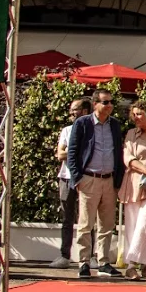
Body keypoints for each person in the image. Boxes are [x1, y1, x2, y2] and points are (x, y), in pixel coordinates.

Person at [66, 91, 124, 277]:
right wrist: (78, 179)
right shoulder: (83, 123)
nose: (110, 106)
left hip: (109, 179)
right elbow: (72, 152)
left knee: (106, 224)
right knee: (86, 224)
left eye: (111, 102)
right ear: (95, 104)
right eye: (105, 102)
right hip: (89, 178)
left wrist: (118, 180)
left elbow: (119, 152)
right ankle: (83, 262)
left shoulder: (115, 125)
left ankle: (103, 262)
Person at [50, 97, 89, 270]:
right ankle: (64, 255)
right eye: (71, 109)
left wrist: (70, 152)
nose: (71, 112)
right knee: (67, 217)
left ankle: (88, 256)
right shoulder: (66, 130)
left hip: (86, 177)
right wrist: (78, 152)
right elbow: (60, 154)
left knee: (87, 217)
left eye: (75, 109)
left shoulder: (91, 130)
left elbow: (90, 153)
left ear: (85, 111)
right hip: (66, 178)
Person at [119, 105, 146, 279]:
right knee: (132, 226)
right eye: (133, 114)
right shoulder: (131, 134)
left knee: (145, 224)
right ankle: (135, 265)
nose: (136, 117)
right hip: (133, 183)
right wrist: (145, 169)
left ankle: (139, 262)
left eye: (140, 114)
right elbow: (127, 157)